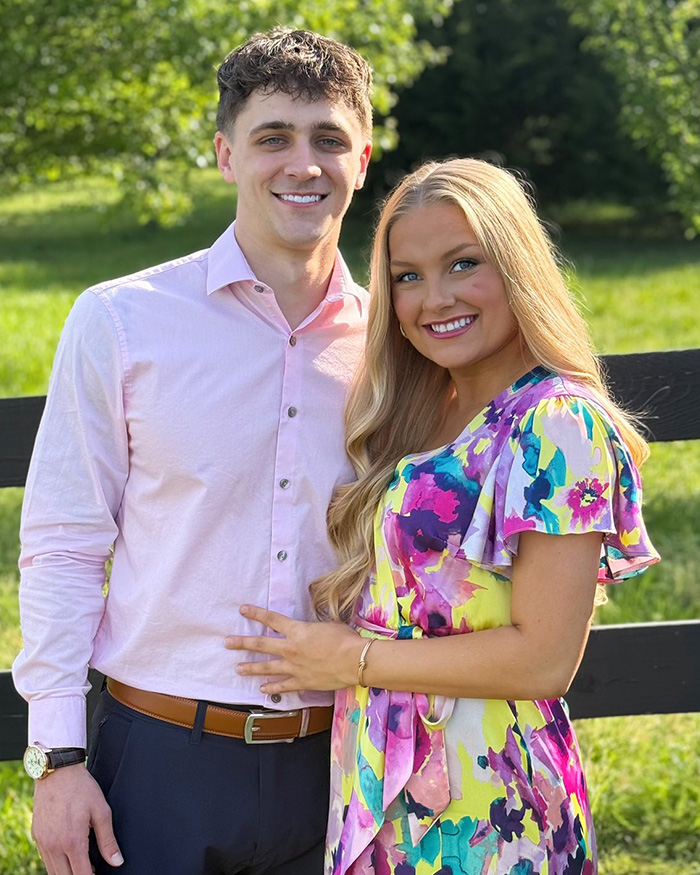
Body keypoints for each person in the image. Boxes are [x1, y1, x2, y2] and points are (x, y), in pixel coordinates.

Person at [225, 158, 660, 875]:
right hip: (387, 779)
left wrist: (352, 659)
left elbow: (546, 658)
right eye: (407, 275)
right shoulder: (427, 410)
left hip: (488, 802)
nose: (434, 298)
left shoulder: (555, 423)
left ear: (517, 266)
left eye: (464, 264)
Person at [13, 29, 373, 875]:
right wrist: (57, 761)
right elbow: (64, 543)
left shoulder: (397, 345)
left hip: (345, 759)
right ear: (224, 154)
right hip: (159, 759)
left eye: (327, 138)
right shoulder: (121, 320)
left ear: (363, 156)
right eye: (272, 137)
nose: (303, 163)